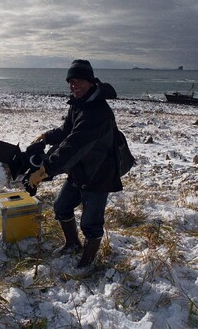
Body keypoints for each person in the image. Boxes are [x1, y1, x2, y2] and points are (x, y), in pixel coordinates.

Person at [28, 59, 122, 268]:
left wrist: (45, 170)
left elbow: (73, 145)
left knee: (91, 224)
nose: (73, 86)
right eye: (70, 81)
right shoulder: (79, 104)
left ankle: (87, 264)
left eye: (78, 81)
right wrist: (46, 137)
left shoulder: (97, 112)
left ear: (90, 81)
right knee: (61, 207)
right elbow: (65, 132)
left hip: (98, 174)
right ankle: (72, 243)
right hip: (80, 170)